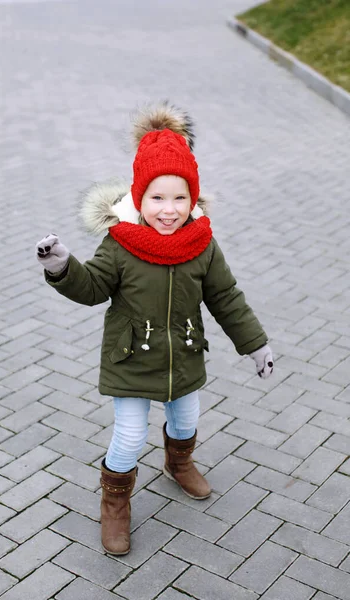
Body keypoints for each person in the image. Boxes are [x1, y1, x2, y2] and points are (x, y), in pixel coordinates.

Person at [35, 102, 273, 556]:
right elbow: (92, 288)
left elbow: (225, 297)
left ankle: (178, 464)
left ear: (193, 199)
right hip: (131, 359)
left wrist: (255, 345)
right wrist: (64, 267)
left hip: (182, 355)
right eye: (157, 198)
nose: (169, 210)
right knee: (127, 435)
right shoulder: (121, 245)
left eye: (180, 198)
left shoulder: (201, 243)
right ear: (139, 198)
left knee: (186, 420)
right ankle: (115, 502)